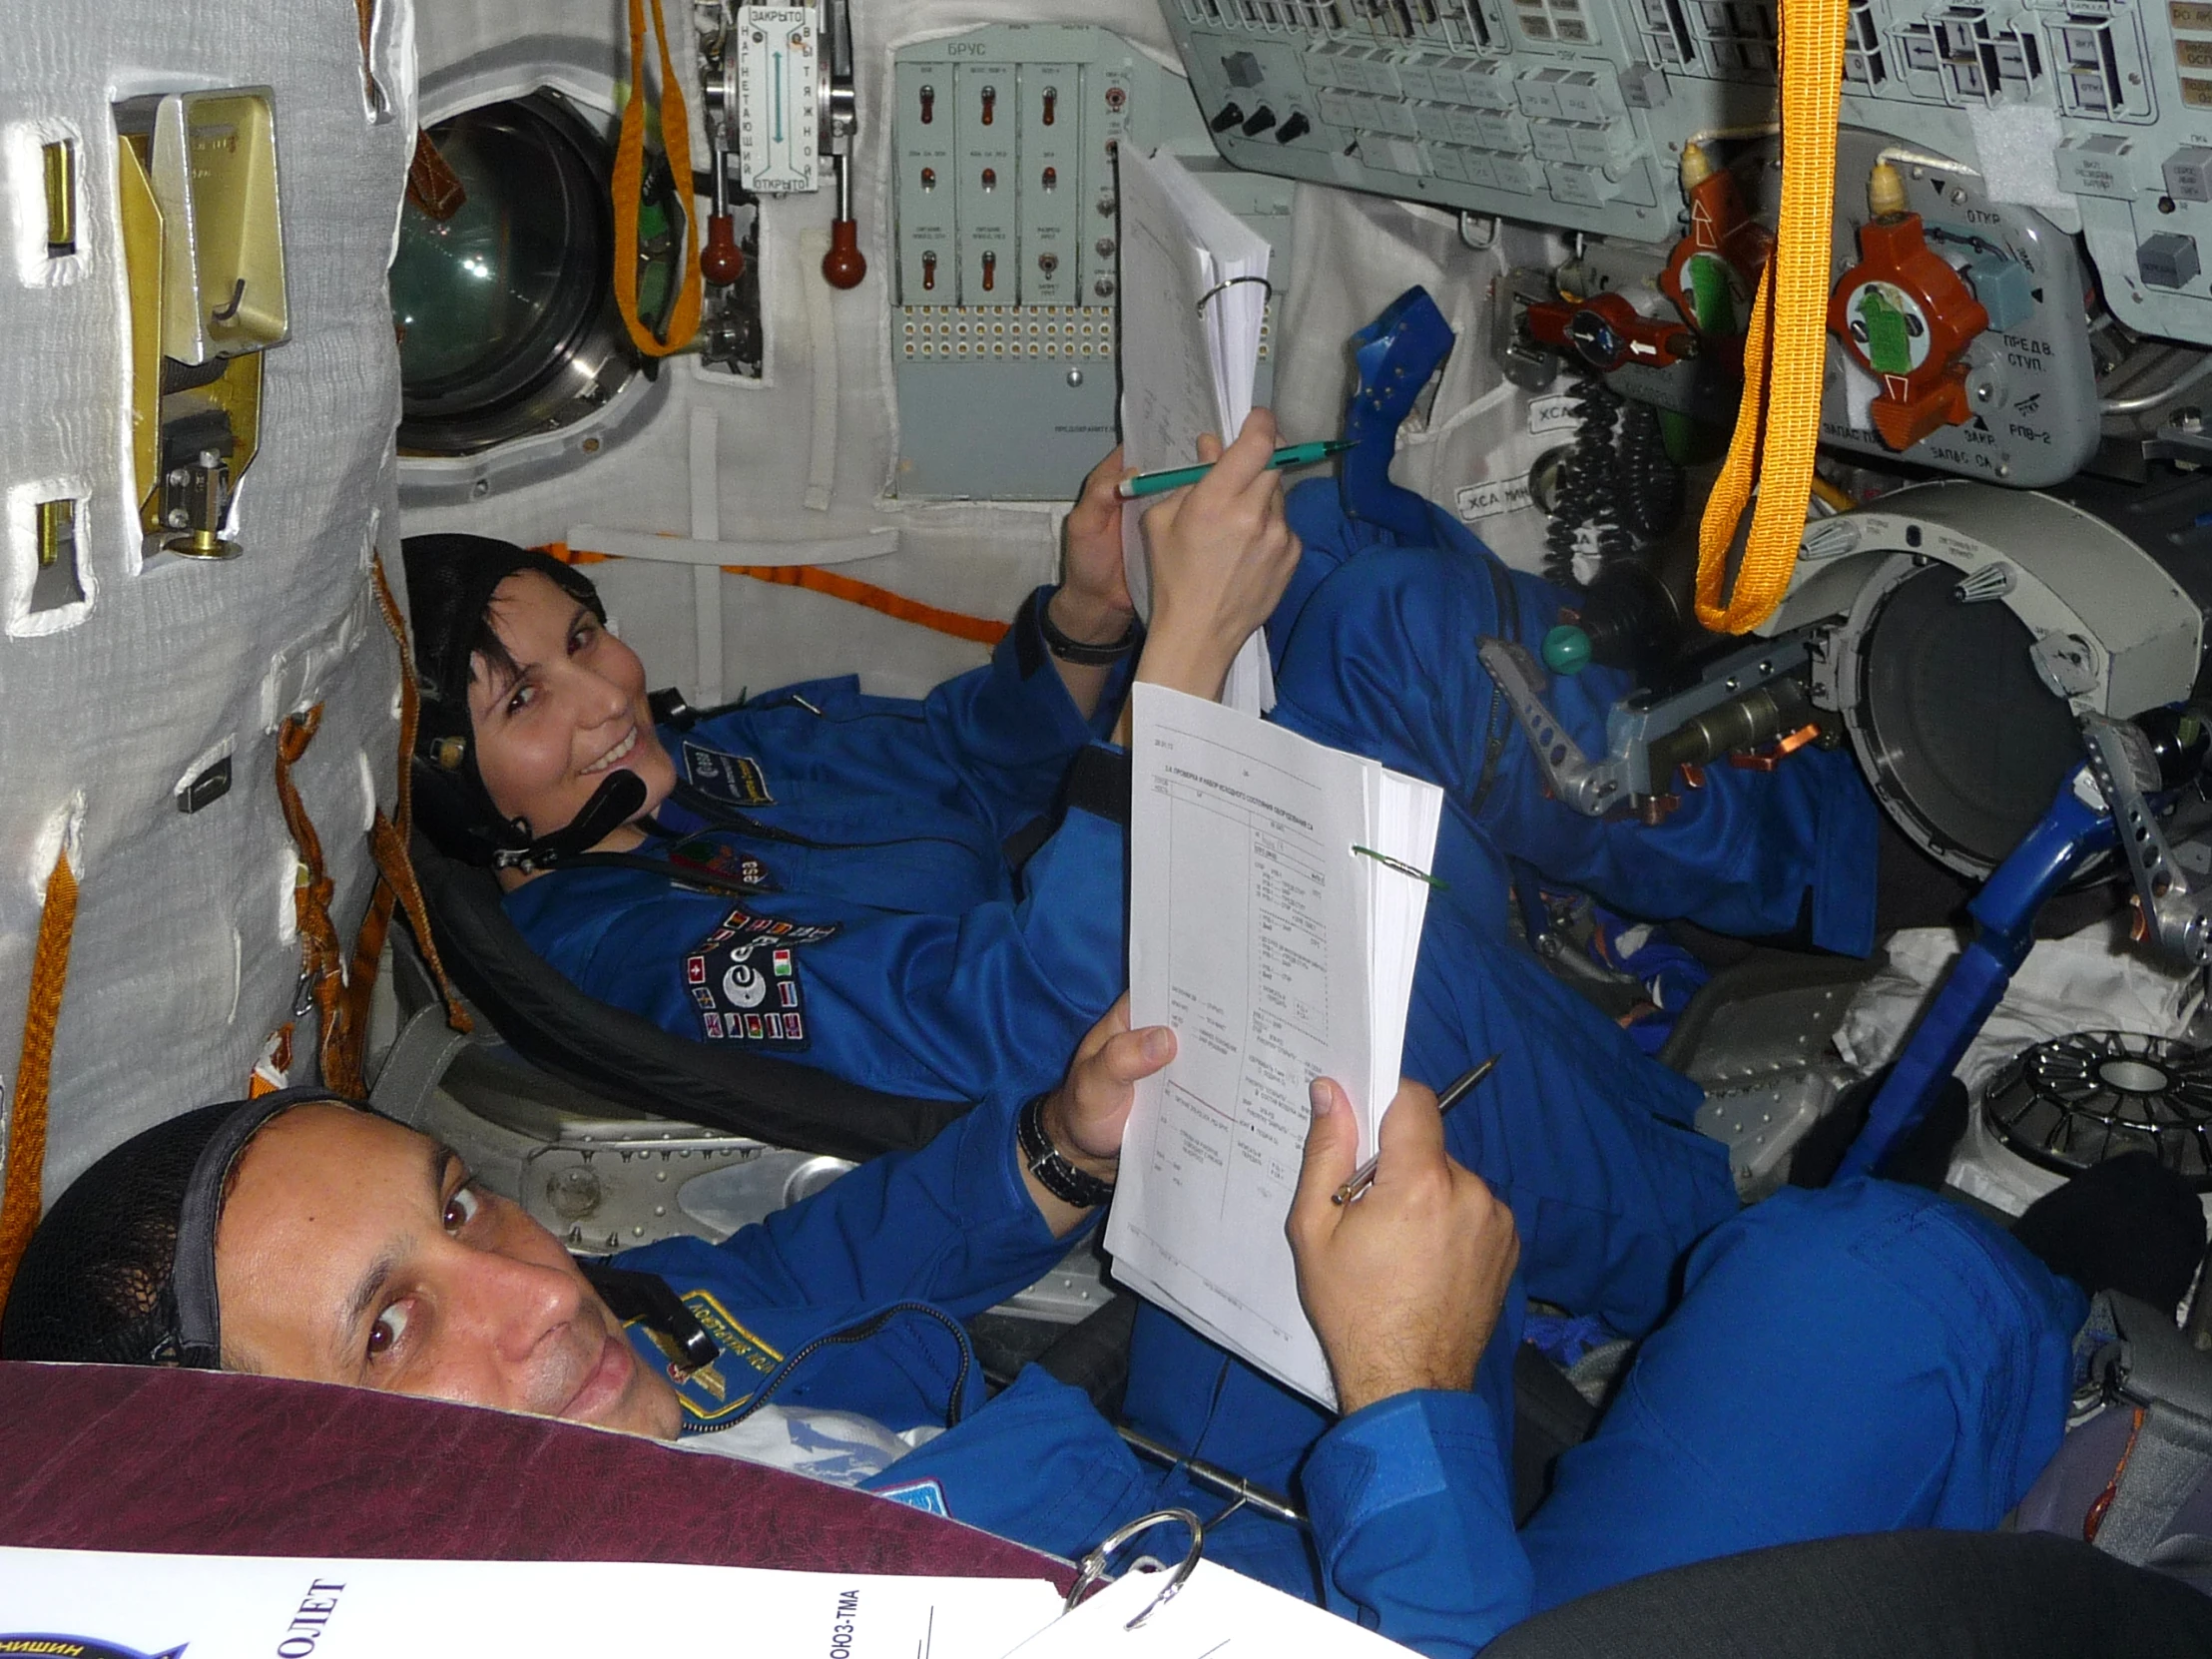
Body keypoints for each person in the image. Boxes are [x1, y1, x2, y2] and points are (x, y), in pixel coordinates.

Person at [1, 1003, 2090, 1657]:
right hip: (1443, 1621)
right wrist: (1406, 1399)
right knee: (1855, 1282)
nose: (539, 1293)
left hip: (1235, 1516)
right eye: (391, 1330)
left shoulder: (633, 1366)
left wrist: (1062, 1150)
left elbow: (814, 1276)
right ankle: (2086, 1320)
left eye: (462, 1204)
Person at [400, 411, 1876, 1123]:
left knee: (1342, 558)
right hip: (1115, 1023)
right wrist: (1169, 709)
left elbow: (968, 760)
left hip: (1099, 898)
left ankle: (1766, 838)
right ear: (471, 794)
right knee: (1393, 632)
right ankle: (1836, 855)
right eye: (527, 696)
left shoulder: (710, 761)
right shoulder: (635, 946)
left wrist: (1091, 622)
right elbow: (1008, 1020)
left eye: (584, 634)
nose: (600, 691)